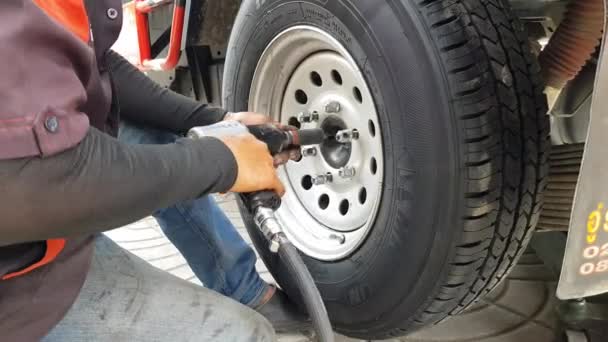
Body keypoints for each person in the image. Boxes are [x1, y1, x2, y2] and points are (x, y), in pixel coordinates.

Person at [0, 0, 305, 340]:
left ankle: (244, 290)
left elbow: (94, 63)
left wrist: (217, 122)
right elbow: (39, 179)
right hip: (15, 288)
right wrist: (222, 161)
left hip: (41, 233)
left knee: (151, 133)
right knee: (248, 335)